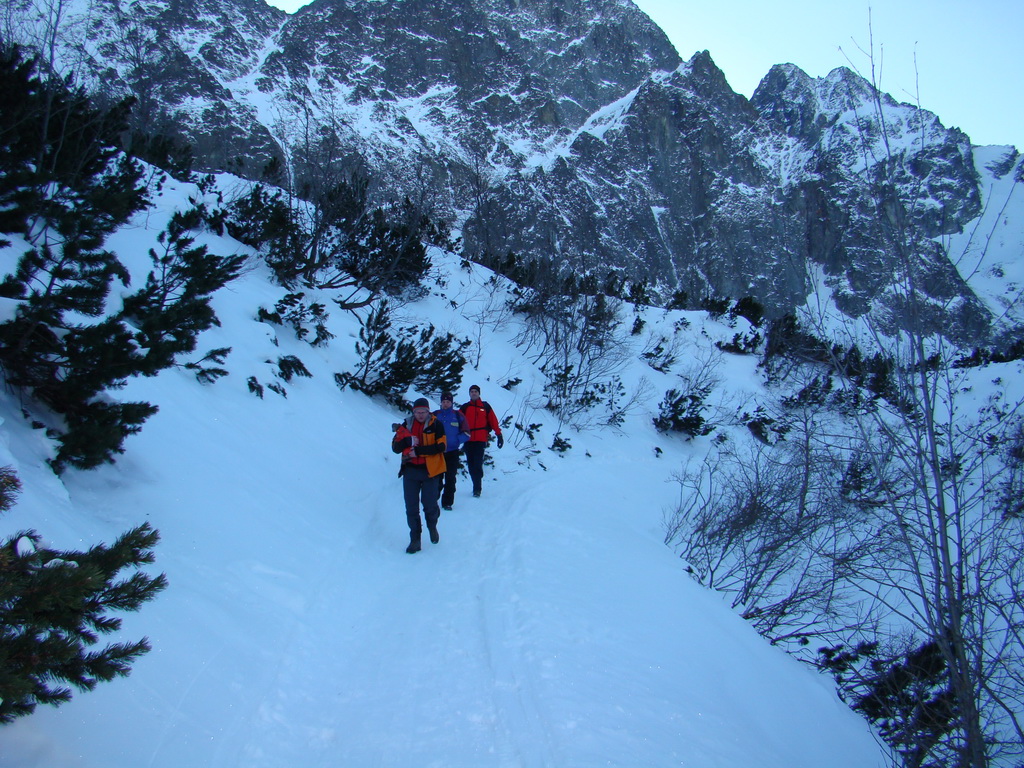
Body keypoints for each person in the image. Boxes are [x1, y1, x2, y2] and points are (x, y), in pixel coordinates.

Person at [391, 398, 446, 553]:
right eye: (417, 412)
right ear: (413, 412)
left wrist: (420, 451)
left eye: (423, 412)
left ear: (428, 412)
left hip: (430, 472)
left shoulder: (436, 425)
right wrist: (407, 440)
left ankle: (432, 525)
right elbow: (395, 447)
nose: (420, 415)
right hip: (410, 471)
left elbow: (442, 446)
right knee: (411, 508)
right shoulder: (406, 425)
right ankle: (415, 539)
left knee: (429, 505)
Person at [459, 384, 503, 498]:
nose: (473, 393)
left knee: (477, 464)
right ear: (469, 394)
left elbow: (493, 421)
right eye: (472, 391)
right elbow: (456, 421)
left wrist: (499, 434)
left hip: (480, 439)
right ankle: (475, 484)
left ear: (479, 393)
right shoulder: (465, 408)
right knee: (471, 464)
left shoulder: (485, 407)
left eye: (475, 391)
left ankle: (477, 488)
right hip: (468, 439)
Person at [433, 392, 470, 511]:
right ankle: (433, 500)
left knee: (450, 478)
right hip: (438, 452)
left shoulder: (458, 415)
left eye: (448, 402)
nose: (445, 404)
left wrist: (456, 441)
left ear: (451, 403)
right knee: (436, 477)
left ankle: (447, 502)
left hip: (452, 452)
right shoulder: (435, 415)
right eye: (443, 402)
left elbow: (467, 433)